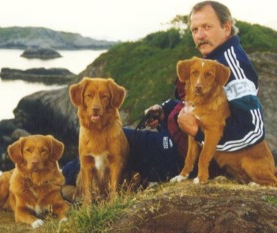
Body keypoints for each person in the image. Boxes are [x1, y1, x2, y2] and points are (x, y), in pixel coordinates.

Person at [62, 0, 264, 185]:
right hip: (178, 137)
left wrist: (197, 132)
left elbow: (253, 130)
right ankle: (67, 181)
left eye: (207, 27)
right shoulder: (211, 59)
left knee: (116, 138)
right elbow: (193, 102)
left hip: (186, 154)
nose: (200, 35)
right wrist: (165, 110)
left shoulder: (233, 67)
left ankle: (61, 181)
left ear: (226, 27)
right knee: (122, 138)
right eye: (195, 29)